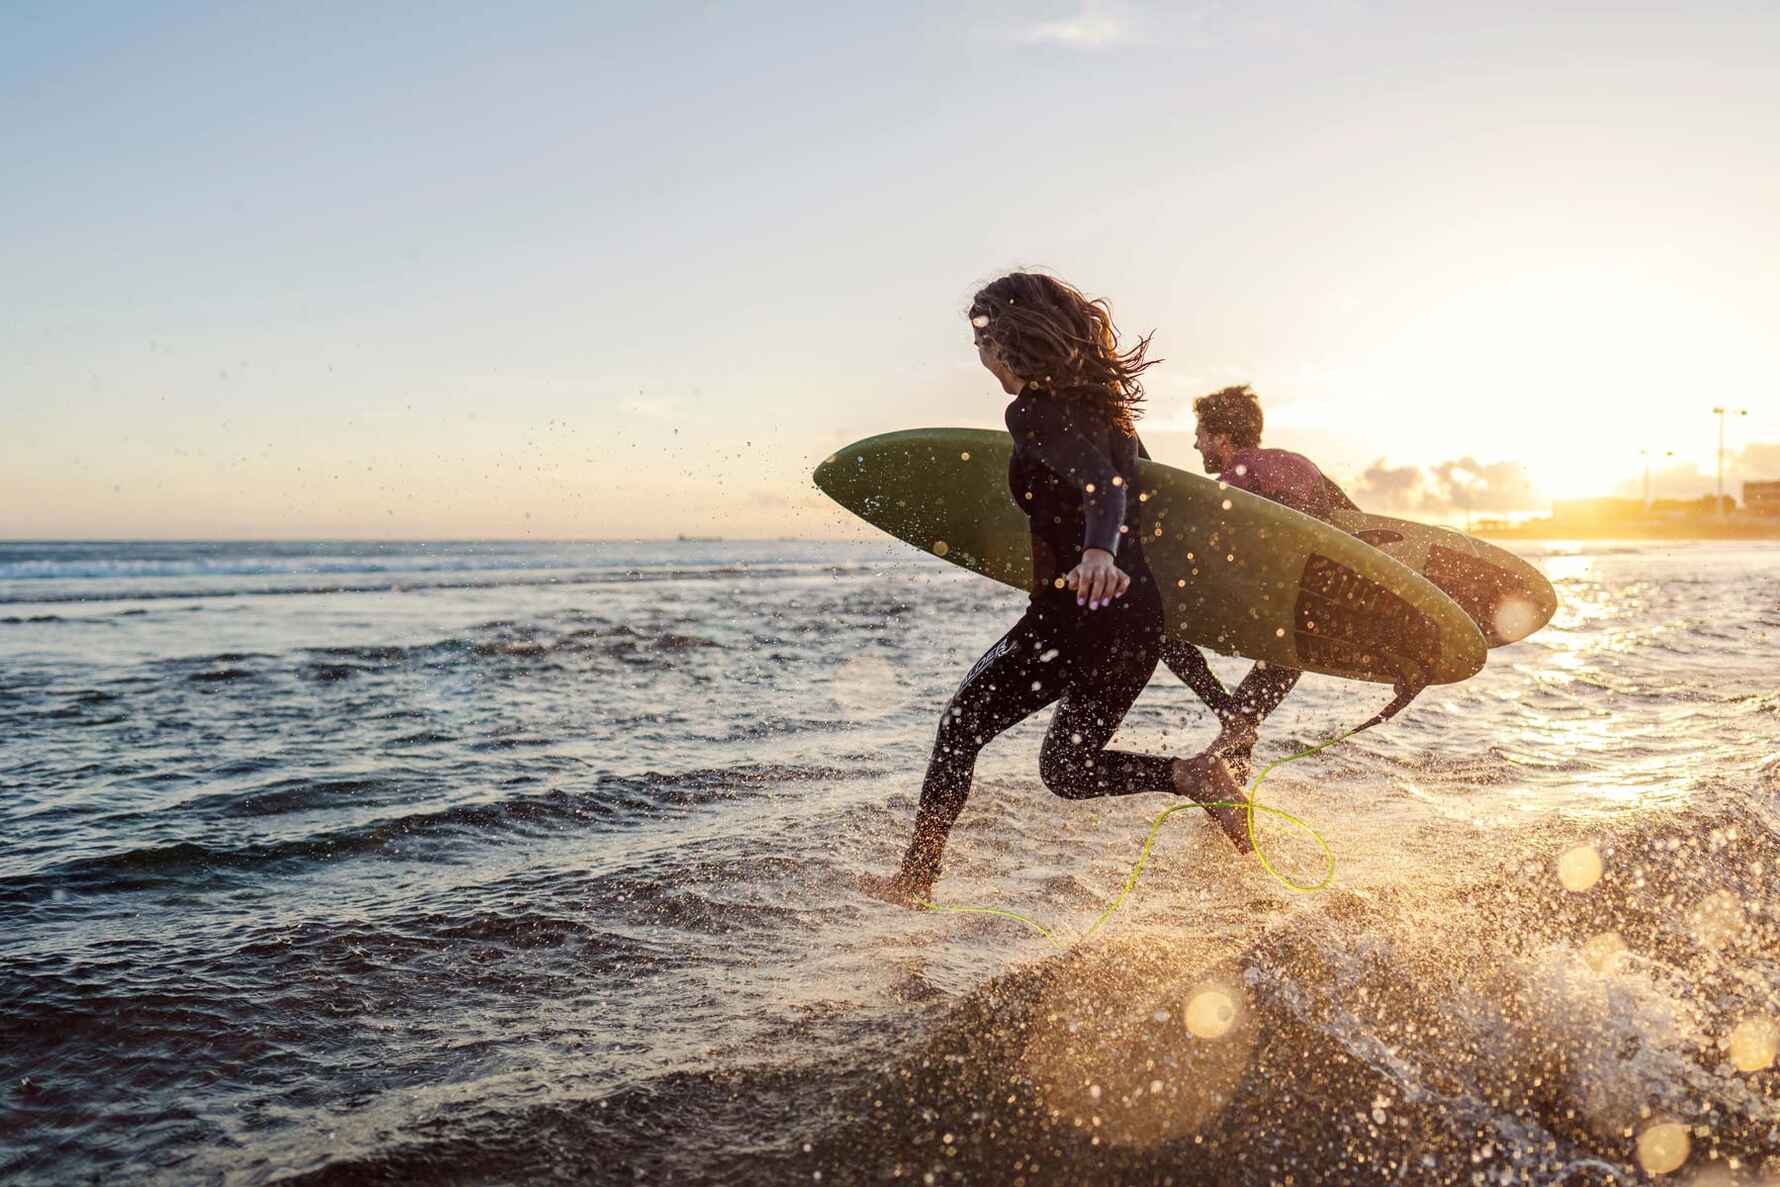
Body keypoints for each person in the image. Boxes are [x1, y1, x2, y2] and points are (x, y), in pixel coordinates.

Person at [859, 273, 1249, 910]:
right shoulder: (1114, 416)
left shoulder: (1032, 411)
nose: (979, 354)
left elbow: (1102, 485)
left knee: (960, 726)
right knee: (1067, 768)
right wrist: (1203, 680)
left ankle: (917, 881)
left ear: (1013, 340)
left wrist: (1096, 552)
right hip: (1136, 621)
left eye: (983, 337)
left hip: (1077, 613)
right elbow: (1131, 498)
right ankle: (1190, 774)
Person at [1156, 384, 1360, 780]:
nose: (1196, 445)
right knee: (1273, 677)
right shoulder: (1303, 464)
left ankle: (1227, 718)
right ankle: (1230, 780)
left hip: (1266, 601)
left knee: (1155, 627)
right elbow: (1354, 525)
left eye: (1200, 435)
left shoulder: (1239, 473)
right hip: (1307, 614)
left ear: (1221, 437)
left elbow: (1204, 544)